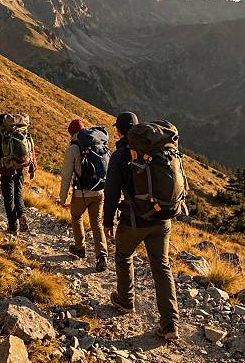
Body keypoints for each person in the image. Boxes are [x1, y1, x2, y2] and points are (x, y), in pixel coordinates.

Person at [104, 112, 179, 341]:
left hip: (134, 220)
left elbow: (111, 192)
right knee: (162, 266)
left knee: (123, 255)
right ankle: (170, 324)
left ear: (119, 130)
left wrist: (107, 221)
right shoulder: (158, 149)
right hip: (162, 219)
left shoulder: (119, 156)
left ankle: (126, 300)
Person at [58, 119, 108, 272]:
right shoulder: (97, 143)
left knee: (76, 216)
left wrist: (62, 198)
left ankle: (80, 248)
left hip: (81, 194)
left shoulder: (73, 149)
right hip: (99, 192)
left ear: (71, 134)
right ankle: (102, 255)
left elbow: (66, 176)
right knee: (97, 223)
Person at [0, 113, 37, 234]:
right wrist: (32, 168)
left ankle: (12, 226)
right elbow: (31, 151)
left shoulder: (0, 136)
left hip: (6, 171)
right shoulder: (23, 134)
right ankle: (22, 215)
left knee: (9, 199)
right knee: (18, 194)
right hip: (21, 170)